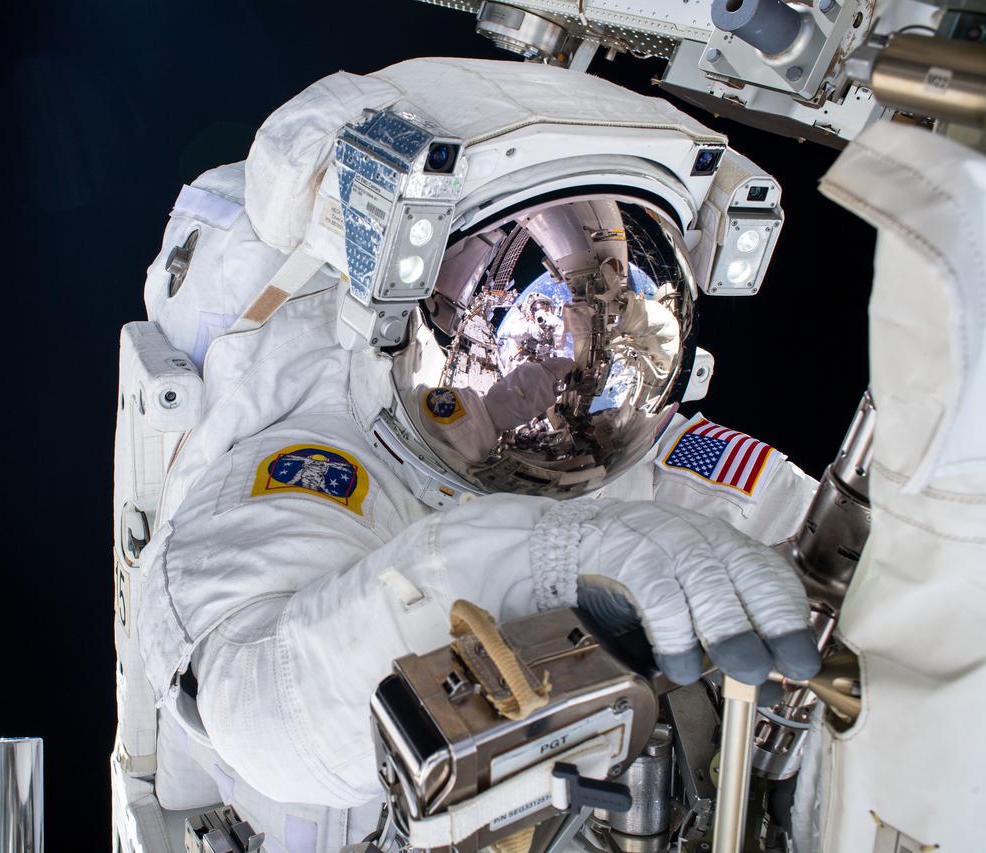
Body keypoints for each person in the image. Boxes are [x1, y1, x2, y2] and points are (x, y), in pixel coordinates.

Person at [114, 58, 825, 853]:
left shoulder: (627, 444)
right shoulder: (320, 460)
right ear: (399, 311)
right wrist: (541, 561)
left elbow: (831, 543)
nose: (578, 361)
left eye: (613, 309)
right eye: (548, 316)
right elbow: (261, 702)